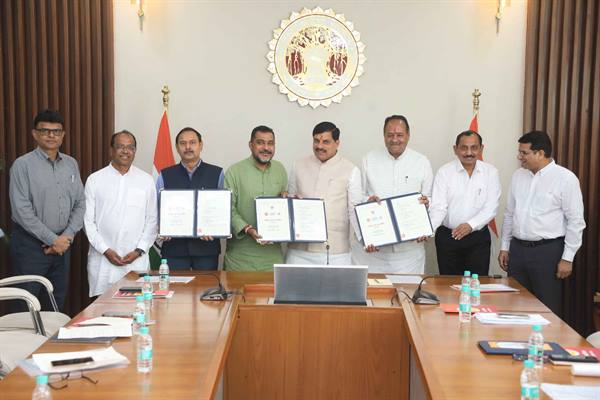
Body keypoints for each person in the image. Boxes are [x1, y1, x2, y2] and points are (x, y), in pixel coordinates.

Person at [498, 131, 585, 315]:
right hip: (517, 251)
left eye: (524, 153)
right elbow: (509, 214)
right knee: (514, 306)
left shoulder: (566, 179)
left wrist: (567, 258)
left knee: (546, 308)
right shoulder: (518, 176)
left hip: (547, 252)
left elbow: (576, 221)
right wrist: (505, 247)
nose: (519, 157)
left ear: (540, 153)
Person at [9, 109, 85, 311]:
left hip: (63, 246)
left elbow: (80, 203)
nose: (51, 135)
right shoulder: (22, 165)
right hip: (30, 247)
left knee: (55, 305)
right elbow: (21, 211)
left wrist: (66, 237)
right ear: (35, 134)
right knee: (26, 306)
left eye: (56, 131)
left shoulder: (71, 164)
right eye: (45, 131)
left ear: (63, 135)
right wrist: (53, 240)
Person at [351, 115, 433, 274]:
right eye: (390, 135)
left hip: (409, 253)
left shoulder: (421, 162)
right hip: (374, 251)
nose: (395, 139)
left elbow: (430, 199)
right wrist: (367, 201)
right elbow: (358, 198)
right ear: (384, 136)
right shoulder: (369, 159)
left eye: (399, 135)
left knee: (407, 289)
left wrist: (426, 206)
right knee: (372, 289)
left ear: (408, 136)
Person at [84, 130, 157, 297]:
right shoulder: (95, 179)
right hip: (103, 260)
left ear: (135, 151)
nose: (126, 151)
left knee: (138, 307)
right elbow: (88, 222)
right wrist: (105, 250)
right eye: (120, 147)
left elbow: (152, 220)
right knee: (103, 308)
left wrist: (139, 250)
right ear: (111, 150)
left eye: (130, 147)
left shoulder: (146, 180)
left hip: (136, 259)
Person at [286, 122, 361, 265]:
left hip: (335, 252)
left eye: (326, 142)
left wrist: (368, 238)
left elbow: (355, 211)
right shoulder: (298, 165)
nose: (319, 146)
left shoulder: (351, 170)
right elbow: (290, 202)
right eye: (316, 141)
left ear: (337, 143)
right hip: (299, 251)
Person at [428, 130, 501, 276]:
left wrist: (470, 225)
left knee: (477, 283)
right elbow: (439, 207)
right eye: (464, 148)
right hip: (448, 237)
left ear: (481, 149)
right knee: (448, 284)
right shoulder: (444, 172)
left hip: (478, 239)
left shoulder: (490, 172)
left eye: (474, 148)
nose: (469, 153)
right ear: (455, 149)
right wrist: (428, 230)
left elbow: (491, 207)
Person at [157, 127, 224, 270]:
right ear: (177, 147)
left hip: (206, 249)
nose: (188, 147)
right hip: (174, 249)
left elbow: (223, 209)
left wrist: (214, 229)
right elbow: (157, 208)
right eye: (183, 143)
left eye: (192, 142)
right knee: (174, 285)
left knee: (207, 285)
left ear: (201, 145)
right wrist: (163, 228)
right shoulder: (165, 175)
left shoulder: (217, 173)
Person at [224, 125, 287, 271]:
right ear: (251, 145)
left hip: (272, 259)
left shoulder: (280, 170)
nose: (266, 148)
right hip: (240, 259)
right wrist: (247, 229)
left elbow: (284, 203)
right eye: (260, 143)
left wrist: (288, 201)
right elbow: (227, 208)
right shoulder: (234, 171)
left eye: (270, 143)